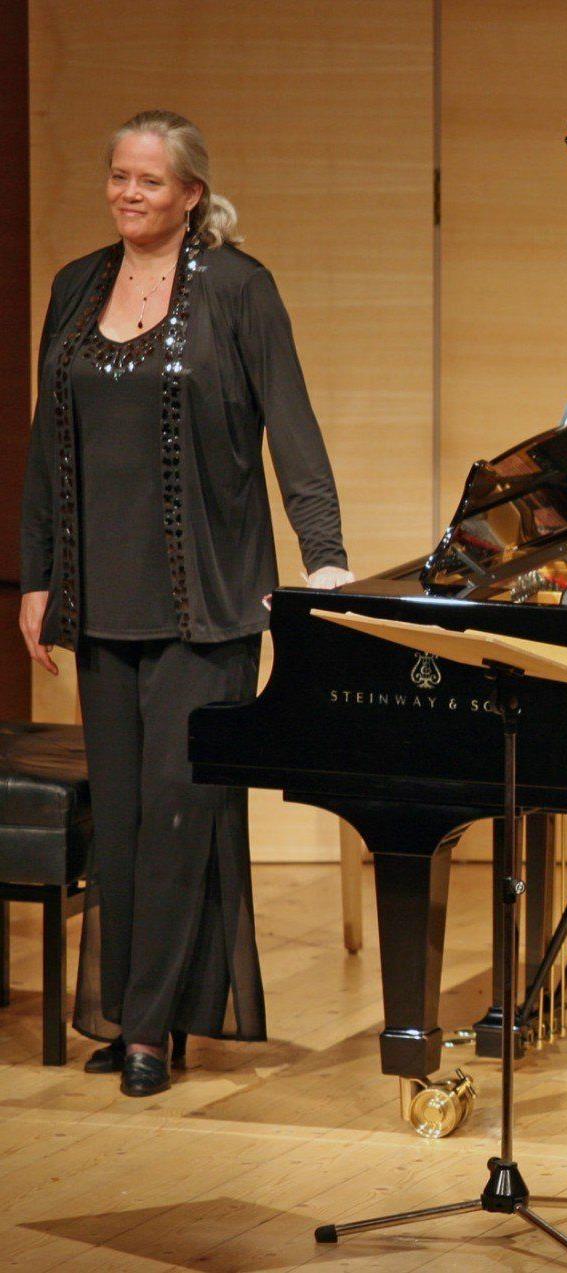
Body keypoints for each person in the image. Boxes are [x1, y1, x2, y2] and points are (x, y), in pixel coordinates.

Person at [18, 110, 354, 1097]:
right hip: (99, 597)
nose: (130, 194)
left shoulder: (240, 291)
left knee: (178, 807)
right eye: (119, 176)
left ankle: (151, 1028)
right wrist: (37, 574)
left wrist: (324, 556)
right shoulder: (75, 286)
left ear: (192, 195)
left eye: (151, 182)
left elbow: (291, 428)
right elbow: (45, 448)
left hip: (208, 600)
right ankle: (135, 1005)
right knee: (120, 814)